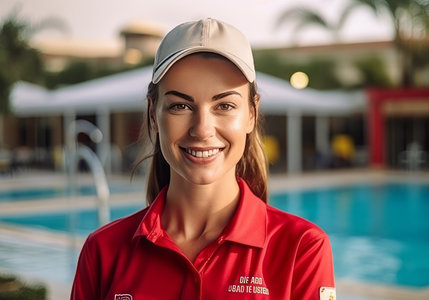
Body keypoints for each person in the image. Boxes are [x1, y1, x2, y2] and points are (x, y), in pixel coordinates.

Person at [71, 18, 335, 300]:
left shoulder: (301, 249)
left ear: (251, 114)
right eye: (180, 106)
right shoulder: (103, 250)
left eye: (224, 105)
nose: (202, 129)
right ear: (153, 114)